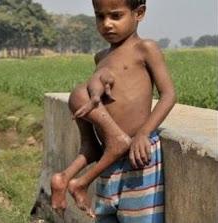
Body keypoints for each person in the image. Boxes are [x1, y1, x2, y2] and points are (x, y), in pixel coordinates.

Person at [50, 0, 176, 222]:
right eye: (100, 16)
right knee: (106, 216)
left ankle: (75, 179)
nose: (107, 24)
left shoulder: (145, 49)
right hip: (109, 160)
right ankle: (71, 179)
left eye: (116, 16)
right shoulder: (100, 57)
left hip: (139, 155)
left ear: (139, 13)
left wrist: (144, 134)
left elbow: (169, 95)